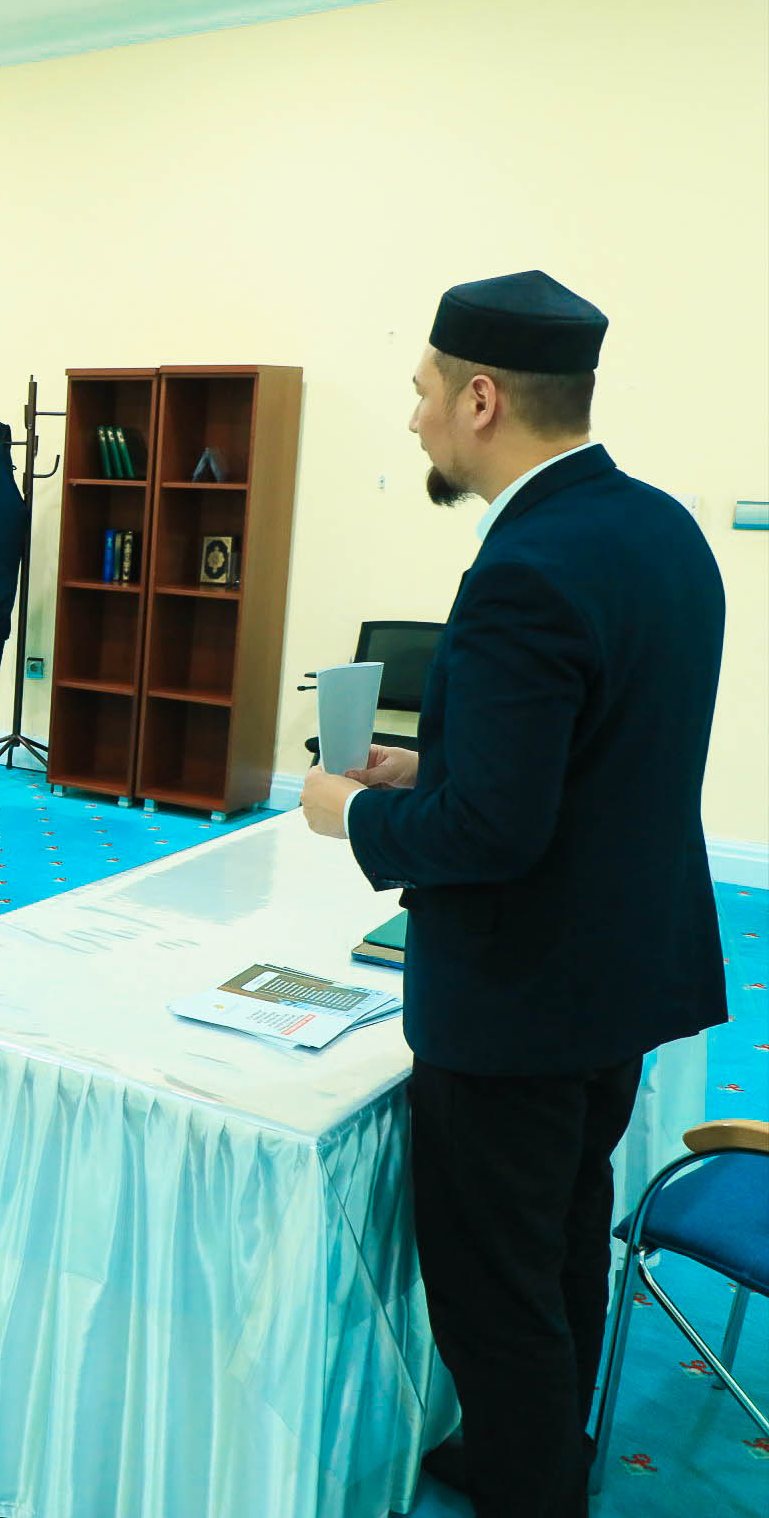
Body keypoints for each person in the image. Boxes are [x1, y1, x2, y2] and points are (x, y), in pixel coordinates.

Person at [301, 271, 726, 1517]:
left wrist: (349, 810)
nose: (415, 417)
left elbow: (492, 832)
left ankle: (529, 1488)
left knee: (495, 1297)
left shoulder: (524, 567)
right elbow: (596, 757)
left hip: (518, 1000)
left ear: (481, 398)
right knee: (563, 1243)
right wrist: (429, 765)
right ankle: (523, 1458)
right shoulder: (659, 528)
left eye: (422, 391)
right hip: (616, 979)